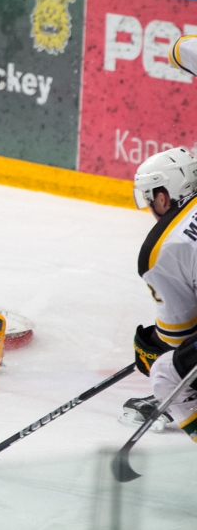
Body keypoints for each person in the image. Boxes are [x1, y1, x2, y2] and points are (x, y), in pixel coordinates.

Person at [125, 147, 197, 438]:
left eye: (150, 198)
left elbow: (176, 336)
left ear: (163, 197)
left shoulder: (161, 249)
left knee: (167, 372)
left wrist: (151, 347)